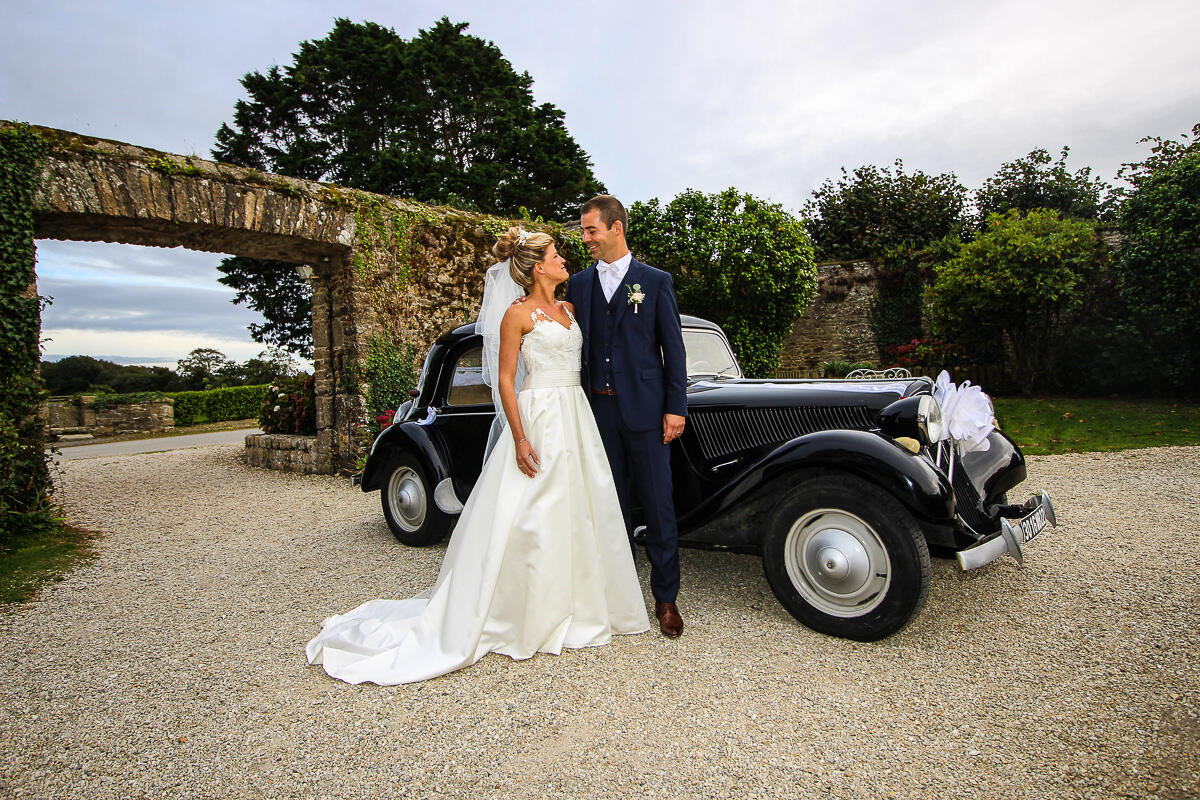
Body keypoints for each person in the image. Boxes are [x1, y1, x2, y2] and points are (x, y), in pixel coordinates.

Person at [305, 228, 649, 685]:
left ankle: (583, 605)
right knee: (532, 511)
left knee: (582, 506)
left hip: (576, 416)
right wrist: (522, 439)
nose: (564, 258)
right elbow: (505, 380)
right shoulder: (516, 315)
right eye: (554, 253)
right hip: (539, 415)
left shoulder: (569, 309)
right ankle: (526, 611)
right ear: (536, 267)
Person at [565, 195, 688, 638]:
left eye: (591, 230)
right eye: (583, 231)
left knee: (658, 504)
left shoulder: (654, 282)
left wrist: (676, 406)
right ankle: (616, 594)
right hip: (597, 411)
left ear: (617, 228)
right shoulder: (578, 285)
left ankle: (666, 598)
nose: (586, 239)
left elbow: (673, 349)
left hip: (648, 411)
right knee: (607, 504)